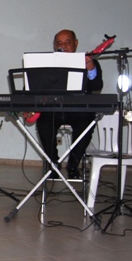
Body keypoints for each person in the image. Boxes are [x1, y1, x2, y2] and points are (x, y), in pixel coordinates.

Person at [36, 29, 103, 179]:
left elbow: (97, 86)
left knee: (87, 122)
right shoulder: (47, 64)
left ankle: (73, 165)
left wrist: (90, 67)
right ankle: (53, 164)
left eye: (68, 42)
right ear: (55, 46)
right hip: (53, 110)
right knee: (43, 122)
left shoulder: (89, 62)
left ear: (76, 43)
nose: (64, 46)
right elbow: (33, 86)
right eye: (59, 43)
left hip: (79, 110)